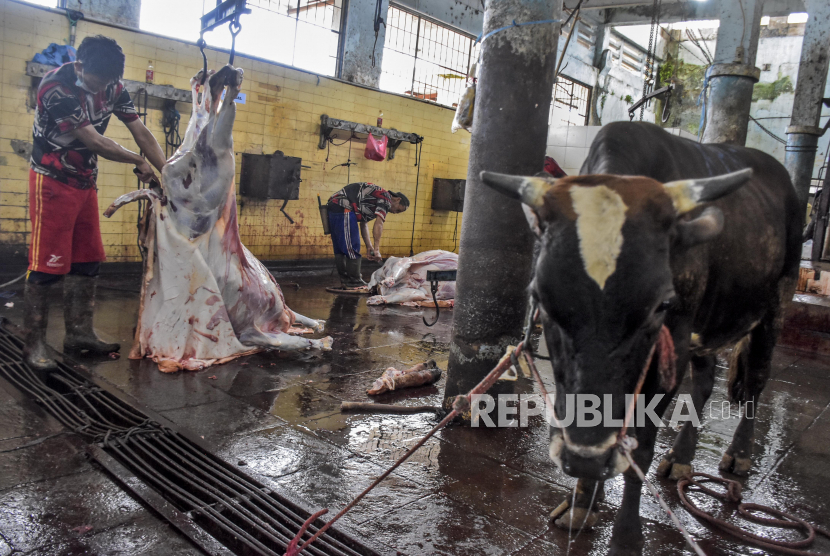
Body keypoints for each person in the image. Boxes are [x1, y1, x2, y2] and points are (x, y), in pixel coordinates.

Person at [24, 35, 166, 372]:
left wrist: (168, 171)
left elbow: (141, 132)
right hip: (52, 180)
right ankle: (34, 344)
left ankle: (79, 334)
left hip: (85, 182)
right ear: (79, 66)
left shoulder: (114, 87)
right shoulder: (56, 87)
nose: (100, 88)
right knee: (47, 266)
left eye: (107, 82)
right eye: (95, 81)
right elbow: (96, 141)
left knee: (87, 259)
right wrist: (138, 162)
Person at [326, 182, 409, 289]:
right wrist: (377, 249)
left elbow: (364, 223)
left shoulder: (376, 199)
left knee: (340, 248)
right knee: (352, 246)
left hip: (335, 206)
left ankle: (346, 281)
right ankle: (354, 282)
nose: (395, 212)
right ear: (397, 199)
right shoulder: (386, 198)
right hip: (343, 206)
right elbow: (379, 223)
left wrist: (369, 246)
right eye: (397, 209)